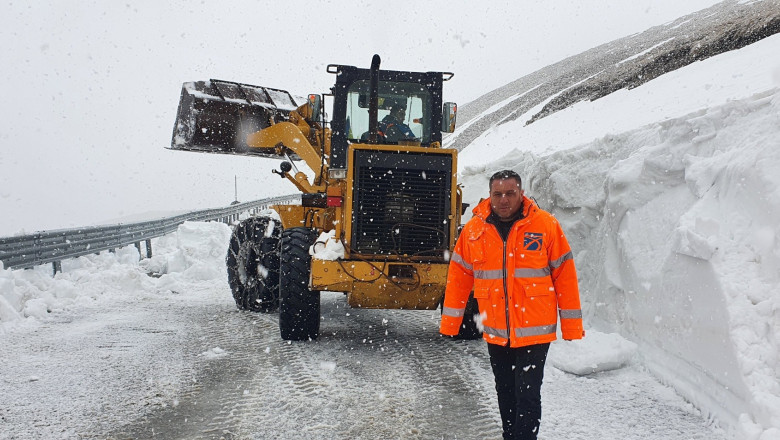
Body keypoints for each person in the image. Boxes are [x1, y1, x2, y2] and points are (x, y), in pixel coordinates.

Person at [440, 169, 584, 440]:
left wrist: (572, 326)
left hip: (534, 331)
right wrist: (450, 322)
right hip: (495, 330)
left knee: (527, 395)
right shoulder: (474, 230)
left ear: (521, 193)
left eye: (510, 193)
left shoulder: (545, 226)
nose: (503, 199)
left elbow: (565, 276)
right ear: (490, 195)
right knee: (505, 393)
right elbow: (458, 278)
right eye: (498, 194)